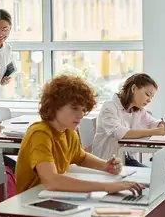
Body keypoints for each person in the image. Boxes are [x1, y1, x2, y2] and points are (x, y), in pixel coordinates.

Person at [15, 75, 143, 195]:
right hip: (31, 200)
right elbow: (51, 181)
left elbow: (81, 158)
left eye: (83, 110)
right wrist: (105, 187)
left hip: (53, 196)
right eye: (75, 108)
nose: (81, 115)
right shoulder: (40, 133)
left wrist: (105, 165)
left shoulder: (69, 132)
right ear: (54, 106)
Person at [92, 73, 165, 166]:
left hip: (126, 159)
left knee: (153, 174)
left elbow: (152, 122)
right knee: (150, 176)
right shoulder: (109, 107)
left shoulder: (137, 110)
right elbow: (120, 133)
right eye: (147, 94)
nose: (149, 100)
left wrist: (160, 125)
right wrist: (153, 132)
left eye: (151, 97)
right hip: (107, 162)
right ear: (133, 89)